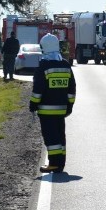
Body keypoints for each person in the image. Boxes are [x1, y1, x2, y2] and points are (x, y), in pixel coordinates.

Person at [30, 33, 76, 174]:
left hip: (46, 110)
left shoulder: (43, 66)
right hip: (62, 109)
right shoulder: (65, 65)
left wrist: (33, 104)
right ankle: (60, 163)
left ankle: (54, 164)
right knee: (60, 137)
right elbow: (72, 88)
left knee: (51, 137)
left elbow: (38, 89)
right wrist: (70, 105)